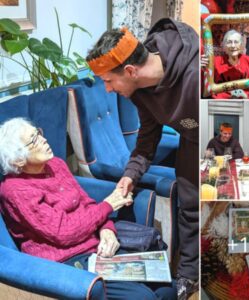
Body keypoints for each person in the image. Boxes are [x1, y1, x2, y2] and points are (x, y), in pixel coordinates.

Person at [0, 118, 176, 300]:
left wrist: (106, 229)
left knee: (167, 286)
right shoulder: (15, 190)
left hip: (95, 247)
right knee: (143, 297)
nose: (43, 140)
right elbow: (63, 232)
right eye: (33, 140)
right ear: (18, 159)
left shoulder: (56, 165)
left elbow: (87, 203)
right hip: (66, 262)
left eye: (38, 133)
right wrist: (109, 205)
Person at [86, 18, 199, 300]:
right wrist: (129, 176)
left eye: (109, 81)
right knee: (191, 208)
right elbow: (147, 140)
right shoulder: (139, 92)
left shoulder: (197, 74)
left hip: (215, 141)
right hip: (190, 140)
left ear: (130, 70)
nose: (108, 90)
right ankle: (188, 276)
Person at [201, 29, 249, 99]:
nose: (233, 45)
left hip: (246, 102)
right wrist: (202, 69)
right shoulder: (215, 62)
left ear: (241, 45)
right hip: (220, 104)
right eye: (229, 42)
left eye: (236, 42)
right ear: (224, 45)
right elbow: (204, 86)